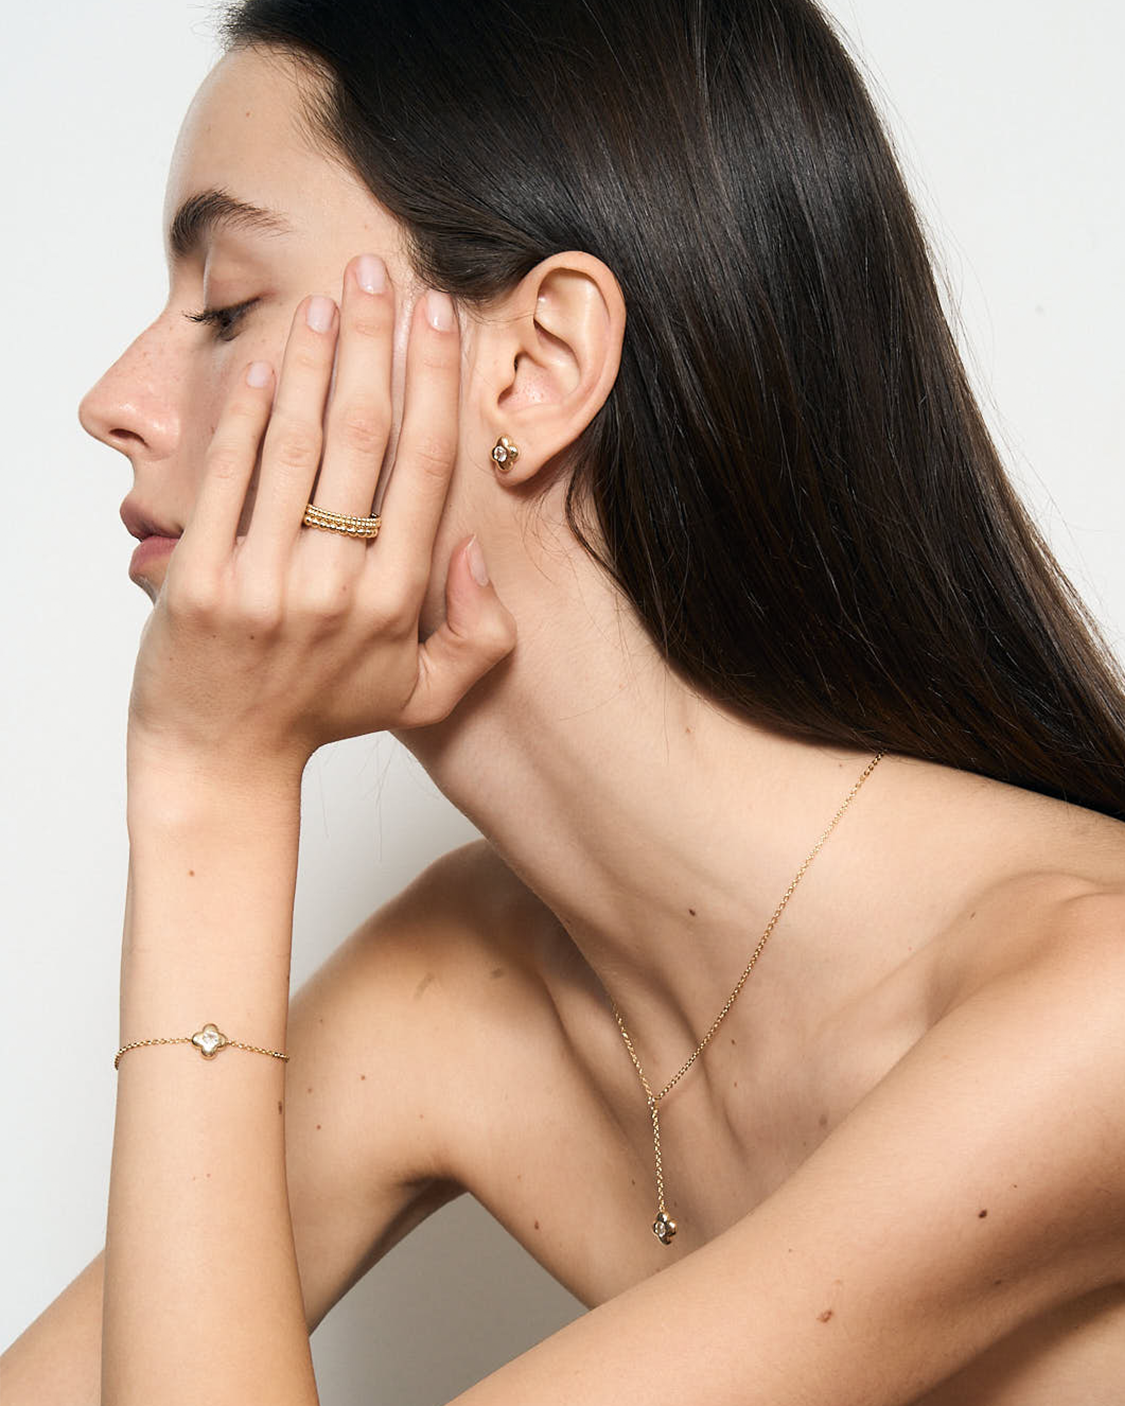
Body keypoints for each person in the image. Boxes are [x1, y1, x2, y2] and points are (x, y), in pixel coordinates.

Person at [4, 0, 1125, 1402]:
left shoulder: (1094, 1004)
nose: (112, 399)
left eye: (228, 303)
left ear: (535, 369)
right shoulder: (458, 981)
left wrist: (208, 790)